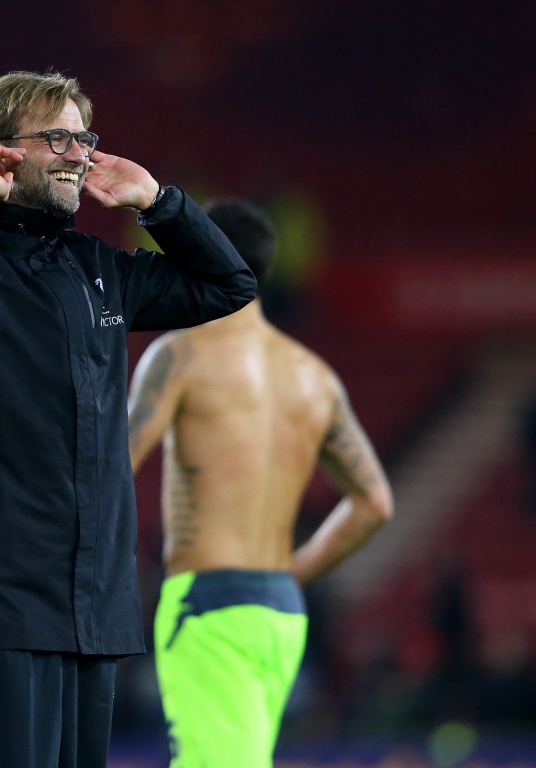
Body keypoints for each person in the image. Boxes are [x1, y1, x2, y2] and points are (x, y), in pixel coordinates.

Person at [0, 71, 256, 768]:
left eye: (84, 136)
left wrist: (160, 204)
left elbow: (228, 285)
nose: (80, 154)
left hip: (90, 609)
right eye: (59, 137)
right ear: (2, 152)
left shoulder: (93, 268)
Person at [127, 199, 393, 767]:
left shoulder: (180, 355)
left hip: (208, 604)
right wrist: (295, 573)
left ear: (197, 252)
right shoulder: (314, 376)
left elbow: (107, 469)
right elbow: (373, 502)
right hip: (278, 611)